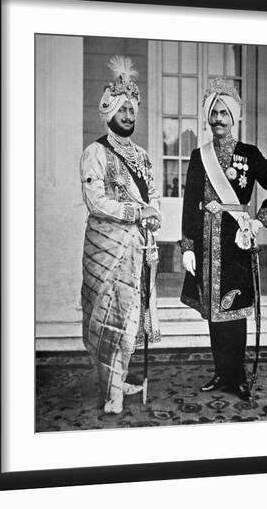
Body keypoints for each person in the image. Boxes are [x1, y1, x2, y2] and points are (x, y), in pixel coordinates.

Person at [180, 78, 267, 400]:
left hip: (235, 243)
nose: (218, 120)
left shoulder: (249, 154)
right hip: (205, 242)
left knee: (234, 311)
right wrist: (187, 246)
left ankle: (237, 376)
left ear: (235, 116)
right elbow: (189, 203)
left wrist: (258, 222)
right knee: (214, 313)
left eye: (224, 113)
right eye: (214, 113)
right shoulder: (200, 156)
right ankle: (221, 373)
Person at [80, 56, 161, 415]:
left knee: (130, 320)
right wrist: (134, 212)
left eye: (133, 109)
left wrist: (153, 214)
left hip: (138, 249)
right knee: (107, 320)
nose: (129, 115)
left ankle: (121, 379)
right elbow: (96, 201)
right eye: (122, 109)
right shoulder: (94, 152)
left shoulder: (142, 156)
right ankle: (111, 392)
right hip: (107, 249)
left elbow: (153, 195)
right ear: (108, 111)